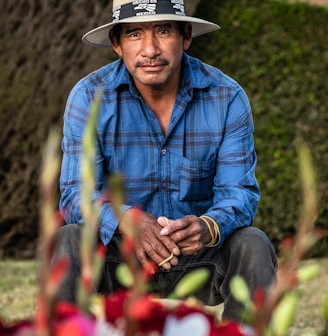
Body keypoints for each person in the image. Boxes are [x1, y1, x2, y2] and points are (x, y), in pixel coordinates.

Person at [54, 0, 277, 322]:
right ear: (117, 44)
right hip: (119, 255)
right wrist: (128, 220)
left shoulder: (226, 96)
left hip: (197, 254)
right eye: (133, 34)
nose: (150, 49)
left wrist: (208, 226)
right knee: (68, 239)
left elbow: (240, 193)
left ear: (185, 35)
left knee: (253, 243)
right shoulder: (89, 96)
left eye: (163, 31)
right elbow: (75, 194)